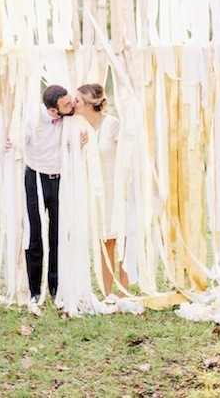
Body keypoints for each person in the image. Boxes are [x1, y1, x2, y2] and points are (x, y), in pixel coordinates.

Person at [23, 84, 75, 310]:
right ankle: (34, 289)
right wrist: (10, 144)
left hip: (60, 180)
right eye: (66, 104)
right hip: (36, 178)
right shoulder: (32, 119)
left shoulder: (72, 118)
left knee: (58, 234)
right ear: (53, 110)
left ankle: (55, 287)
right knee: (35, 235)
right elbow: (17, 143)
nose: (72, 105)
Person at [75, 83, 129, 298]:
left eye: (77, 100)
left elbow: (128, 155)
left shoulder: (113, 125)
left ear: (89, 105)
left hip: (116, 190)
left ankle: (123, 293)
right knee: (104, 241)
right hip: (95, 193)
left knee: (121, 240)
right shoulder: (77, 128)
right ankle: (107, 295)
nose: (73, 104)